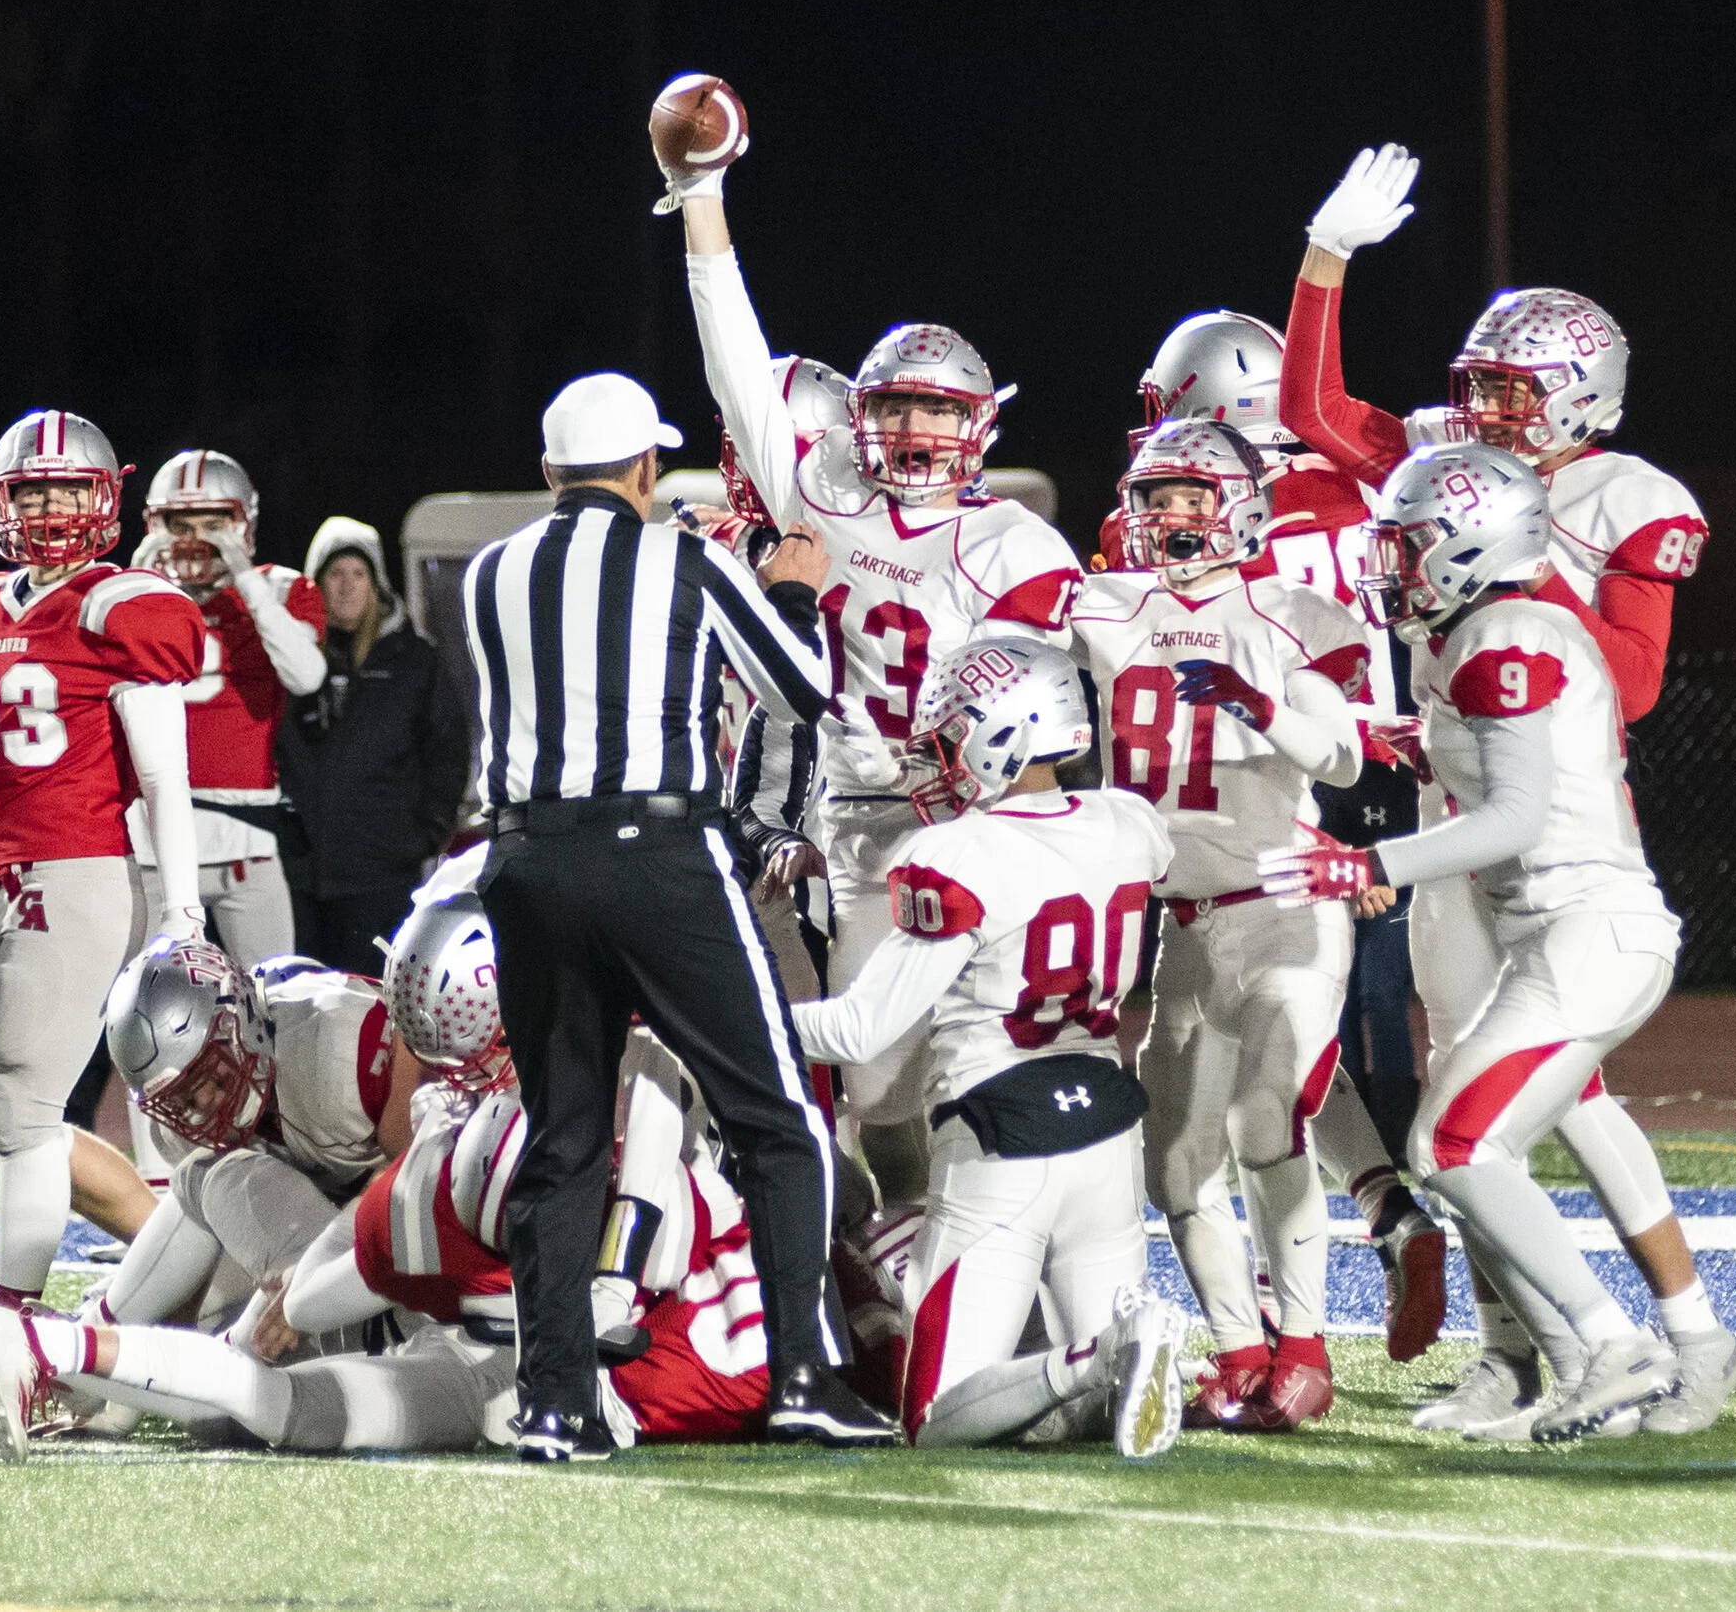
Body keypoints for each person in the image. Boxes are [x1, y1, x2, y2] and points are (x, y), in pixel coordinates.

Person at [1279, 145, 1736, 1422]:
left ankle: (1687, 1335)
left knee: (1558, 1099)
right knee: (1459, 1094)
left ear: (1585, 399)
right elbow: (1317, 414)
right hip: (1450, 816)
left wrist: (1509, 569)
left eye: (1516, 394)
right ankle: (1514, 1349)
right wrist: (1327, 258)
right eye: (1477, 387)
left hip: (1550, 815)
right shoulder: (1460, 471)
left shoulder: (1623, 497)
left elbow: (1633, 688)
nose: (1487, 415)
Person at [461, 369, 890, 1461]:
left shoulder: (488, 572)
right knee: (778, 1119)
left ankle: (553, 1399)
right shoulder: (684, 554)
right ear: (647, 467)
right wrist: (790, 588)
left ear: (551, 471)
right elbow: (799, 687)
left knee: (562, 1141)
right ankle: (801, 1372)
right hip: (657, 852)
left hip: (523, 856)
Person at [668, 112, 1084, 1207]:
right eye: (893, 406)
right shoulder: (818, 489)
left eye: (933, 410)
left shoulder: (1012, 542)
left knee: (1002, 1061)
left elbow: (1043, 707)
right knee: (882, 1092)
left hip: (978, 822)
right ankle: (905, 1273)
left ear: (978, 424)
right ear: (859, 415)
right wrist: (699, 194)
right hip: (857, 827)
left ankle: (1044, 1282)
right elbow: (734, 360)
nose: (910, 430)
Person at [1261, 443, 1708, 1443]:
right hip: (1559, 930)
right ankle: (1576, 1365)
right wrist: (1415, 739)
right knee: (1458, 1139)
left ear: (1472, 543)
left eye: (1410, 544)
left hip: (1585, 929)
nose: (1392, 566)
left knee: (1453, 1141)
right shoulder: (1501, 630)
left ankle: (1611, 1345)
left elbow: (1510, 818)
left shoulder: (1504, 635)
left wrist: (1368, 862)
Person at [1122, 313, 1447, 1356]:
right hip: (1406, 756)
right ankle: (1399, 1213)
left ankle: (1376, 1228)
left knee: (1284, 1064)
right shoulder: (1370, 482)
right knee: (1346, 1039)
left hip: (1279, 782)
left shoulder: (1198, 531)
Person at [791, 637, 1192, 1457]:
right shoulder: (1126, 823)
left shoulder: (958, 854)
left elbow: (859, 1030)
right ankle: (1115, 1351)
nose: (933, 759)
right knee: (1082, 1421)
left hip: (1001, 1138)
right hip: (1106, 1126)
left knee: (933, 1419)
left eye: (947, 738)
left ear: (999, 736)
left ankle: (1102, 1352)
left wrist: (724, 1016)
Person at [0, 408, 204, 1402]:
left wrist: (183, 913)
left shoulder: (122, 606)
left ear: (105, 501)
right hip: (6, 885)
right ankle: (182, 1259)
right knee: (10, 1116)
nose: (50, 506)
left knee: (24, 1113)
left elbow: (166, 780)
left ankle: (12, 1324)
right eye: (32, 489)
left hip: (81, 876)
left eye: (69, 488)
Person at [1070, 422, 1368, 1431]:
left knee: (1262, 1118)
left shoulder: (1290, 614)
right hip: (1179, 927)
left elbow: (1340, 759)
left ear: (1239, 502)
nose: (1170, 517)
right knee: (1175, 1159)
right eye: (1154, 498)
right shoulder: (1105, 605)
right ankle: (1239, 1351)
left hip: (1284, 906)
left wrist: (1259, 703)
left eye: (1191, 496)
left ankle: (1307, 1347)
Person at [0, 939, 420, 1457]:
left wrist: (316, 1274)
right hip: (313, 1248)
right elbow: (196, 1265)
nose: (206, 1105)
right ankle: (72, 1366)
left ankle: (55, 1357)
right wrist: (138, 1367)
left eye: (209, 1075)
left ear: (241, 1022)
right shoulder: (184, 1130)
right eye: (182, 1099)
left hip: (391, 1255)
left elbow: (417, 1180)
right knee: (212, 1306)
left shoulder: (339, 1045)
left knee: (230, 1387)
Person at [127, 450, 327, 965]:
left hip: (247, 842)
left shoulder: (279, 588)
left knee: (272, 1004)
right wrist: (132, 584)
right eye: (182, 524)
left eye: (214, 524)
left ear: (243, 524)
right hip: (153, 848)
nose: (198, 539)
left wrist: (244, 577)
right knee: (143, 1014)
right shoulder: (132, 595)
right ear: (155, 525)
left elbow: (306, 675)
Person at [276, 516, 470, 976]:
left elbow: (448, 751)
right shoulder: (287, 662)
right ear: (316, 584)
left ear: (376, 583)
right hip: (299, 875)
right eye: (334, 575)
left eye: (357, 574)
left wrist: (425, 833)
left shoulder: (413, 660)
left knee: (369, 1005)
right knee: (295, 1003)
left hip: (379, 874)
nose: (345, 587)